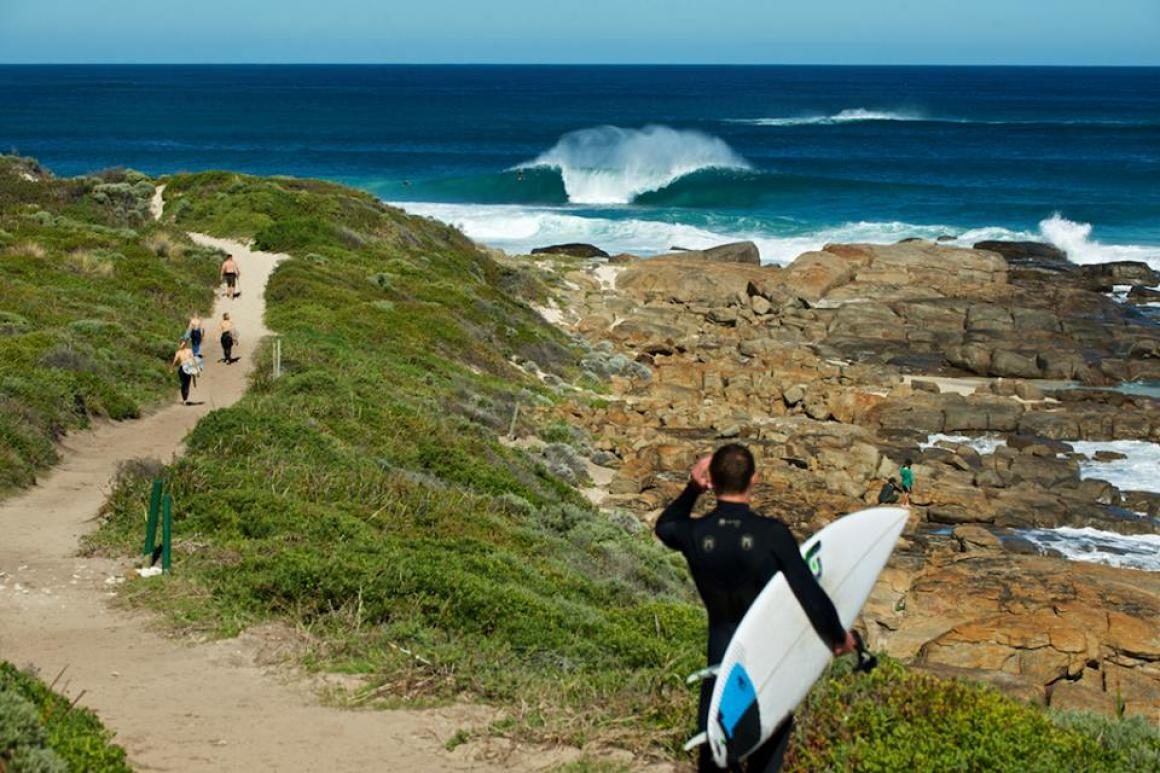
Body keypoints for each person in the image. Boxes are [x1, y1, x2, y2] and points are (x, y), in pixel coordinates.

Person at [655, 444, 856, 773]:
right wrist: (838, 637)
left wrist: (692, 487)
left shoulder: (695, 533)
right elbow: (809, 594)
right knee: (766, 756)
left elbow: (665, 525)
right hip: (768, 662)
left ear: (712, 482)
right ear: (755, 479)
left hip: (720, 657)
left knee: (716, 751)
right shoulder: (771, 534)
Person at [171, 339, 199, 405]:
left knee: (187, 384)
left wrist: (196, 369)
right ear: (179, 344)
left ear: (185, 344)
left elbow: (193, 360)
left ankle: (185, 399)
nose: (182, 345)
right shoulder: (178, 352)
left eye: (183, 344)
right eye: (181, 344)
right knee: (183, 384)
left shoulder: (189, 351)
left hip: (188, 368)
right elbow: (174, 361)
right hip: (182, 369)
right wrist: (171, 368)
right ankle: (184, 398)